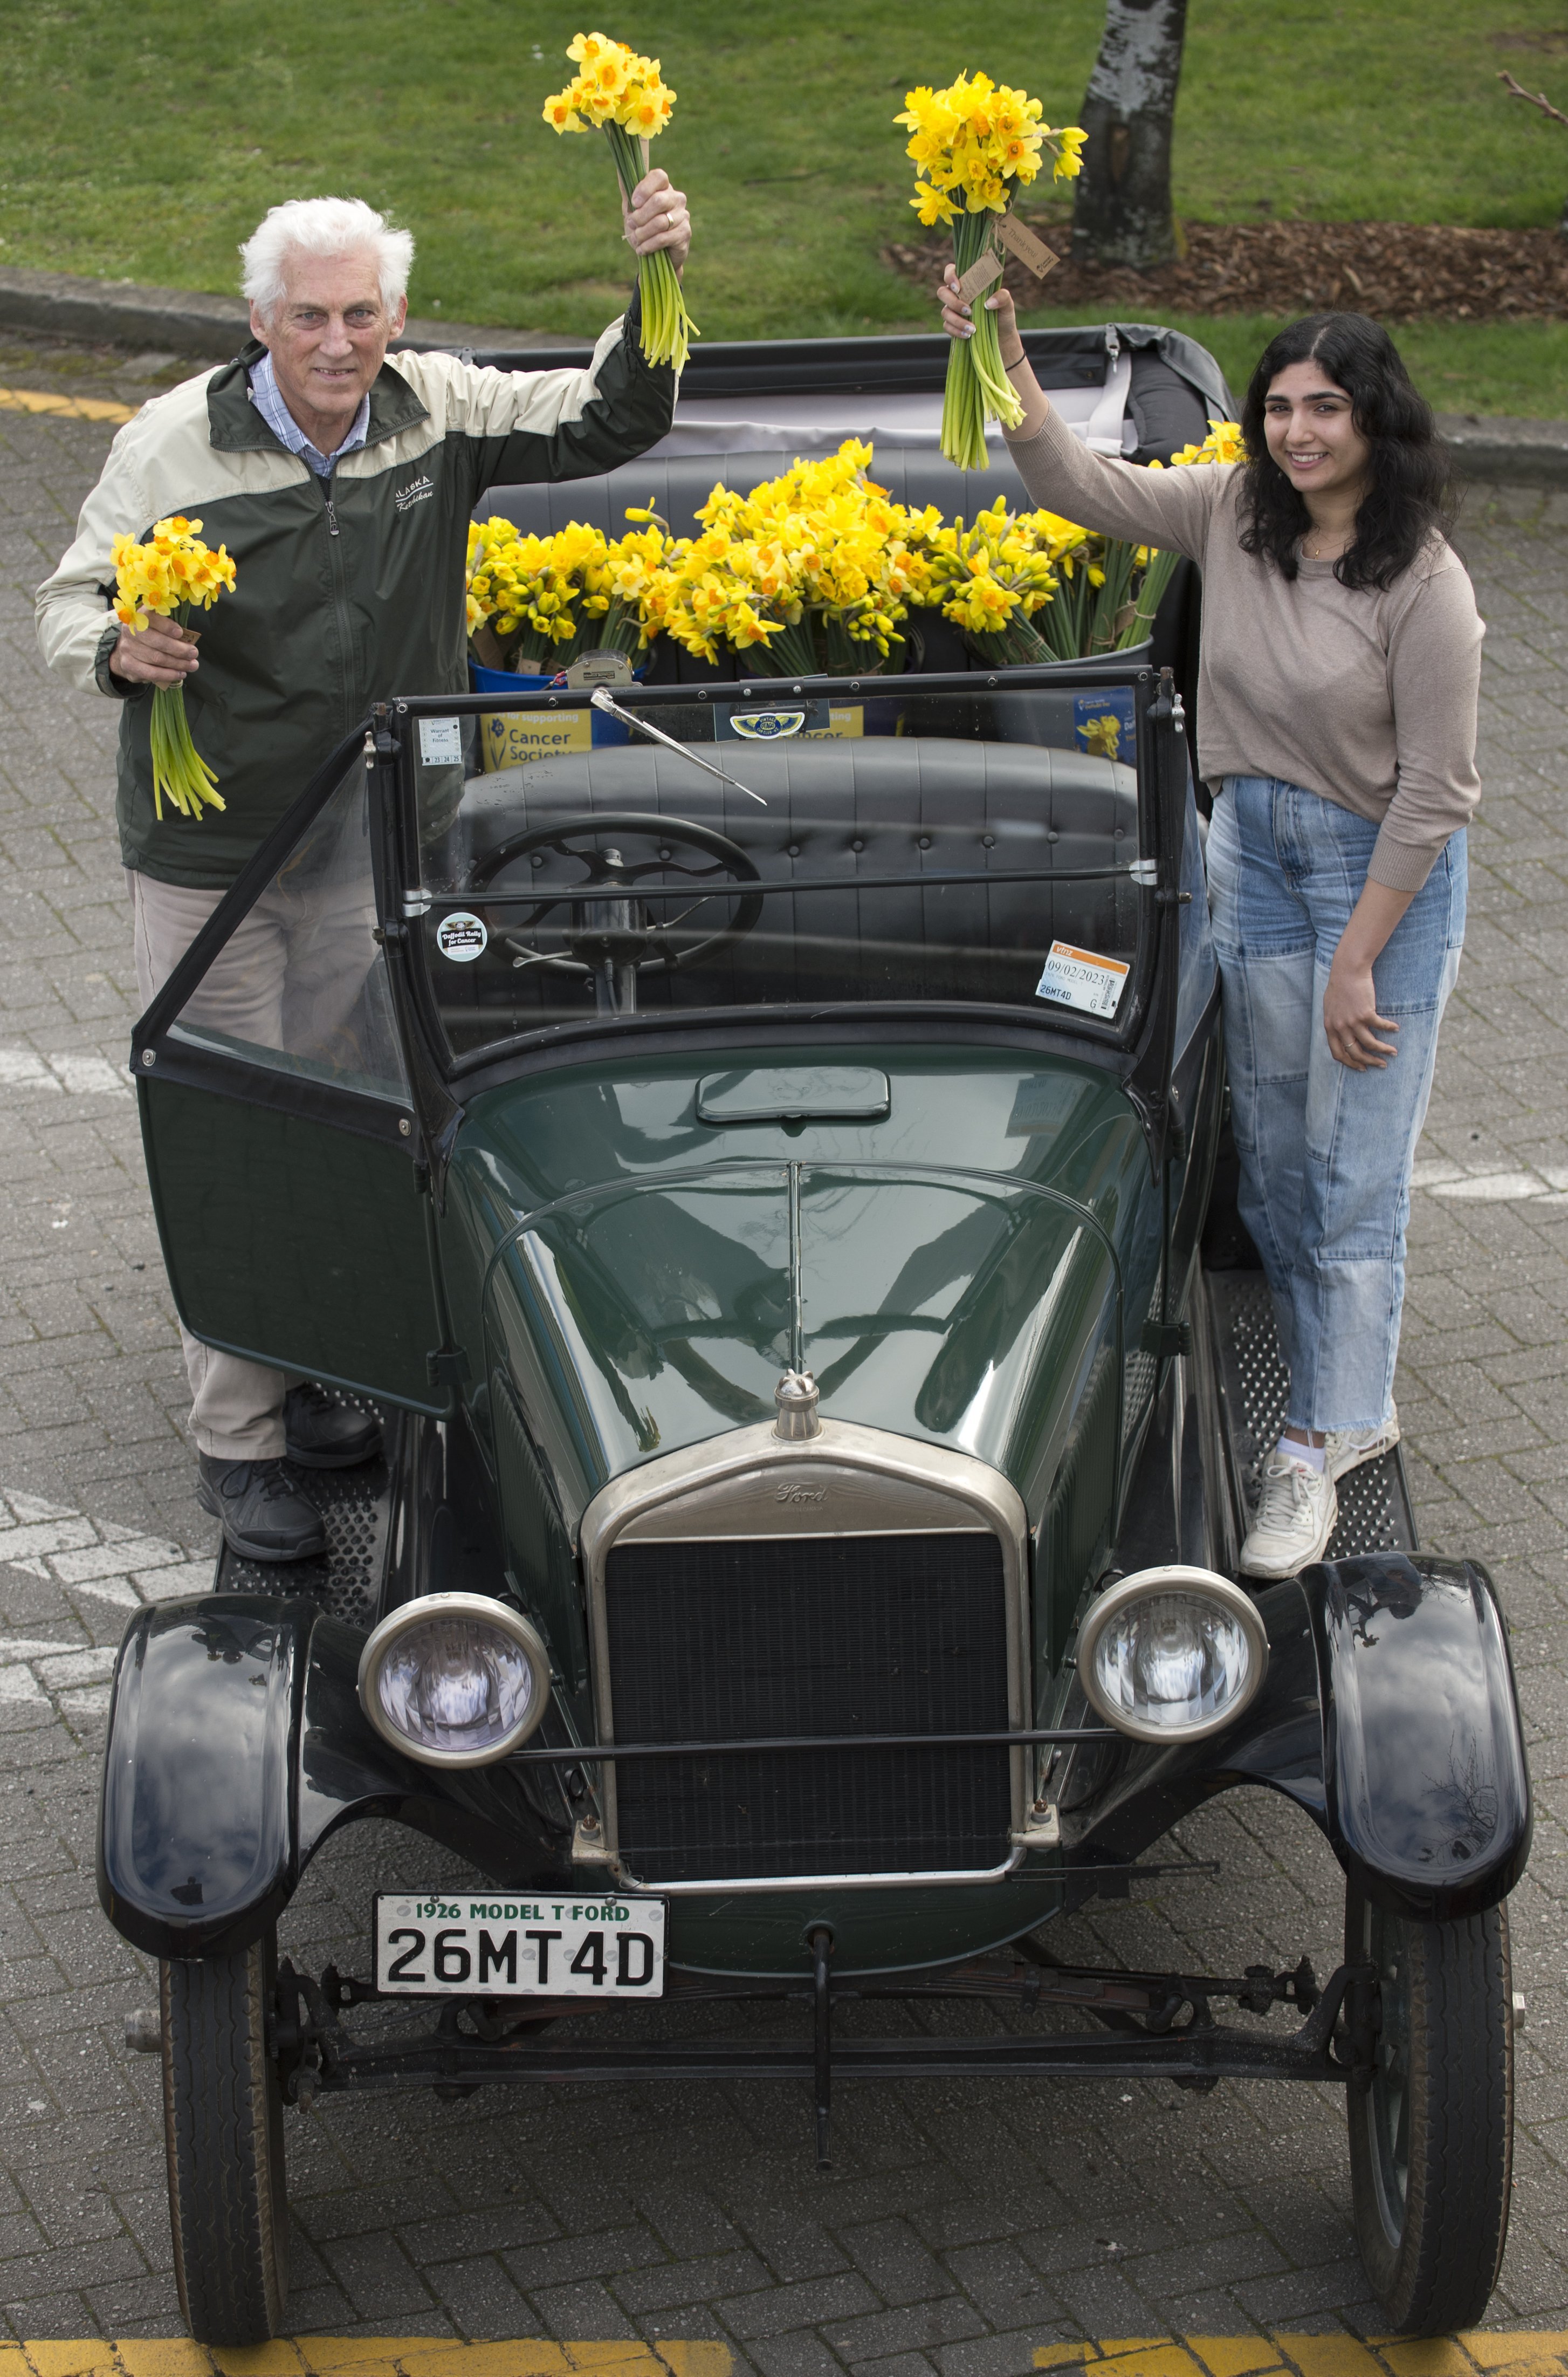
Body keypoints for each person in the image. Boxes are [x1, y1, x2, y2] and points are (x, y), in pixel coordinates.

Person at [37, 184, 691, 1563]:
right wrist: (118, 653)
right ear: (259, 320)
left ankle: (330, 1373)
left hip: (380, 839)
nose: (337, 343)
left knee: (365, 1118)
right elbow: (70, 600)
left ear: (393, 313)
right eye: (307, 318)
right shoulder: (169, 443)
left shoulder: (437, 402)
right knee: (233, 1134)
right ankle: (239, 1444)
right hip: (217, 855)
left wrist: (656, 287)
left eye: (360, 314)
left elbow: (612, 415)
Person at [939, 274, 1481, 1578]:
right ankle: (1331, 1375)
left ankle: (1325, 1433)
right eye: (1279, 407)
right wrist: (1004, 361)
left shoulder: (1425, 584)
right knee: (1281, 1163)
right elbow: (1081, 486)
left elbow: (1439, 790)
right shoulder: (1234, 511)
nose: (1297, 432)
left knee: (1350, 1180)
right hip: (1252, 856)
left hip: (1376, 884)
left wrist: (1358, 956)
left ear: (1375, 423)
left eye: (1325, 410)